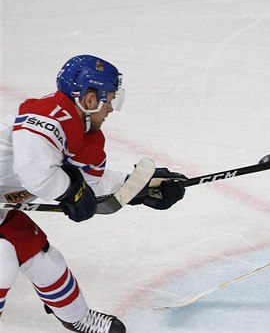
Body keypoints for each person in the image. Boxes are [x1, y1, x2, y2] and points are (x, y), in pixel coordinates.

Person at [0, 55, 186, 333]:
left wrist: (140, 185)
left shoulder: (82, 132)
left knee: (44, 260)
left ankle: (78, 317)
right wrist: (69, 192)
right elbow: (33, 171)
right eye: (109, 99)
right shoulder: (46, 116)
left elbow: (92, 182)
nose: (111, 108)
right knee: (3, 260)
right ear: (90, 99)